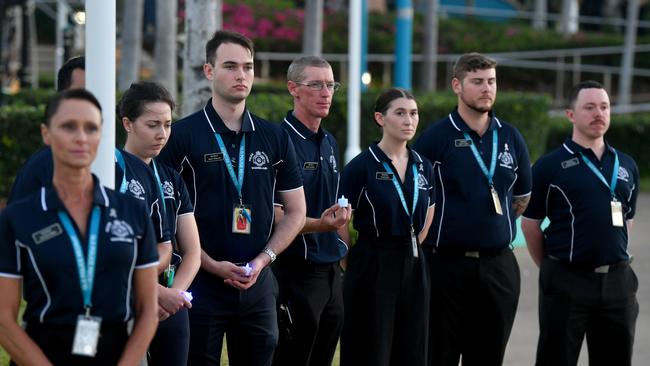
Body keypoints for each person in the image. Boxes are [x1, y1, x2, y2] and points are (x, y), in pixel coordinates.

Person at [157, 30, 306, 366]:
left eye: (248, 67)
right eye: (230, 66)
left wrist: (262, 260)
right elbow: (167, 219)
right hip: (200, 283)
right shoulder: (181, 136)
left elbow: (296, 212)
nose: (241, 75)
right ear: (209, 71)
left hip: (258, 283)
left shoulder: (275, 137)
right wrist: (210, 264)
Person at [0, 89, 159, 365]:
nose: (81, 137)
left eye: (91, 128)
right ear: (46, 134)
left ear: (102, 136)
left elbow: (148, 310)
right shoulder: (18, 217)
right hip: (43, 352)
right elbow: (3, 318)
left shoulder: (132, 212)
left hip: (116, 351)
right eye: (68, 126)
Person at [413, 52, 532, 366]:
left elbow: (520, 198)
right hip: (445, 266)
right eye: (477, 81)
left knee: (489, 357)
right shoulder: (434, 139)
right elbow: (417, 199)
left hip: (499, 266)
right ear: (457, 85)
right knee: (439, 355)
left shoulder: (511, 137)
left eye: (491, 81)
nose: (486, 88)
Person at [7, 60, 172, 274]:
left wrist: (132, 282)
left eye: (99, 93)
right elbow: (16, 249)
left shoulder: (137, 169)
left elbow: (163, 245)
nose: (88, 104)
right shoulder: (36, 171)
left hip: (128, 305)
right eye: (82, 94)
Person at [521, 81, 639, 366]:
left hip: (618, 283)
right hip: (567, 281)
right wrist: (553, 267)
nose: (598, 113)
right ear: (571, 115)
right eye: (589, 107)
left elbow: (627, 220)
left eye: (604, 107)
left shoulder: (626, 165)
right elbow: (530, 225)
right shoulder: (550, 166)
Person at [337, 88, 435, 366]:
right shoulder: (361, 167)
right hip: (373, 262)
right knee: (372, 347)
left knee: (413, 347)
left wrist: (412, 246)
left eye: (413, 113)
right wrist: (352, 261)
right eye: (400, 113)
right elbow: (340, 223)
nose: (409, 120)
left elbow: (429, 212)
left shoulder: (423, 166)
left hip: (414, 263)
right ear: (380, 118)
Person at [271, 56, 351, 366]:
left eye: (330, 85)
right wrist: (320, 225)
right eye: (316, 85)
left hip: (331, 271)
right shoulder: (279, 141)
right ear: (293, 88)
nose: (326, 92)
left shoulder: (329, 141)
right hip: (296, 271)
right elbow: (275, 216)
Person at [117, 81, 201, 365]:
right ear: (127, 123)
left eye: (167, 124)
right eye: (152, 125)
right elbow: (110, 252)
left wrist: (174, 294)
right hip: (127, 299)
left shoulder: (171, 177)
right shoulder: (112, 172)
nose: (162, 134)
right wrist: (156, 294)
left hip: (172, 304)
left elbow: (192, 251)